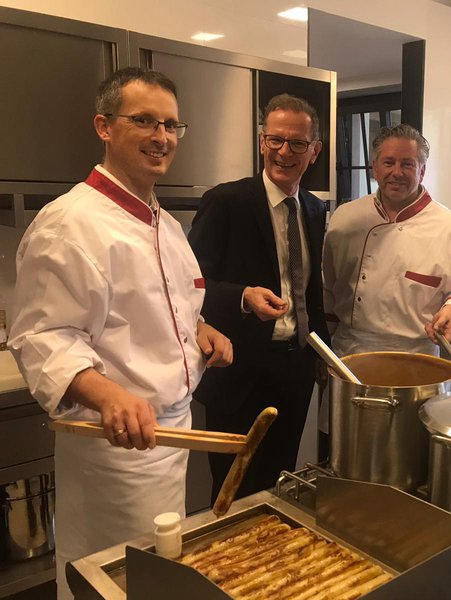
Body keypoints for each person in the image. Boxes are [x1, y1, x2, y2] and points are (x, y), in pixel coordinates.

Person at [8, 67, 232, 600]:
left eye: (172, 125)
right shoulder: (70, 223)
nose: (162, 137)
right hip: (116, 450)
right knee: (111, 577)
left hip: (171, 432)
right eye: (145, 121)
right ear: (104, 127)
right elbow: (42, 336)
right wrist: (108, 394)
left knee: (155, 574)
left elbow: (173, 305)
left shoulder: (167, 224)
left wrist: (201, 330)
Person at [188, 94, 329, 499]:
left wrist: (321, 357)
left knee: (277, 481)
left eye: (298, 143)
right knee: (233, 485)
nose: (285, 152)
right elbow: (187, 286)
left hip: (295, 370)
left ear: (314, 151)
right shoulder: (227, 202)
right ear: (262, 141)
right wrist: (243, 296)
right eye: (275, 140)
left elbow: (310, 292)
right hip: (239, 372)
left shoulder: (315, 210)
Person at [322, 123, 451, 357]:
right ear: (375, 168)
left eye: (407, 164)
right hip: (349, 351)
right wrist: (323, 351)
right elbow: (328, 289)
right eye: (388, 162)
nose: (397, 172)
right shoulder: (345, 218)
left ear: (422, 171)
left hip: (416, 355)